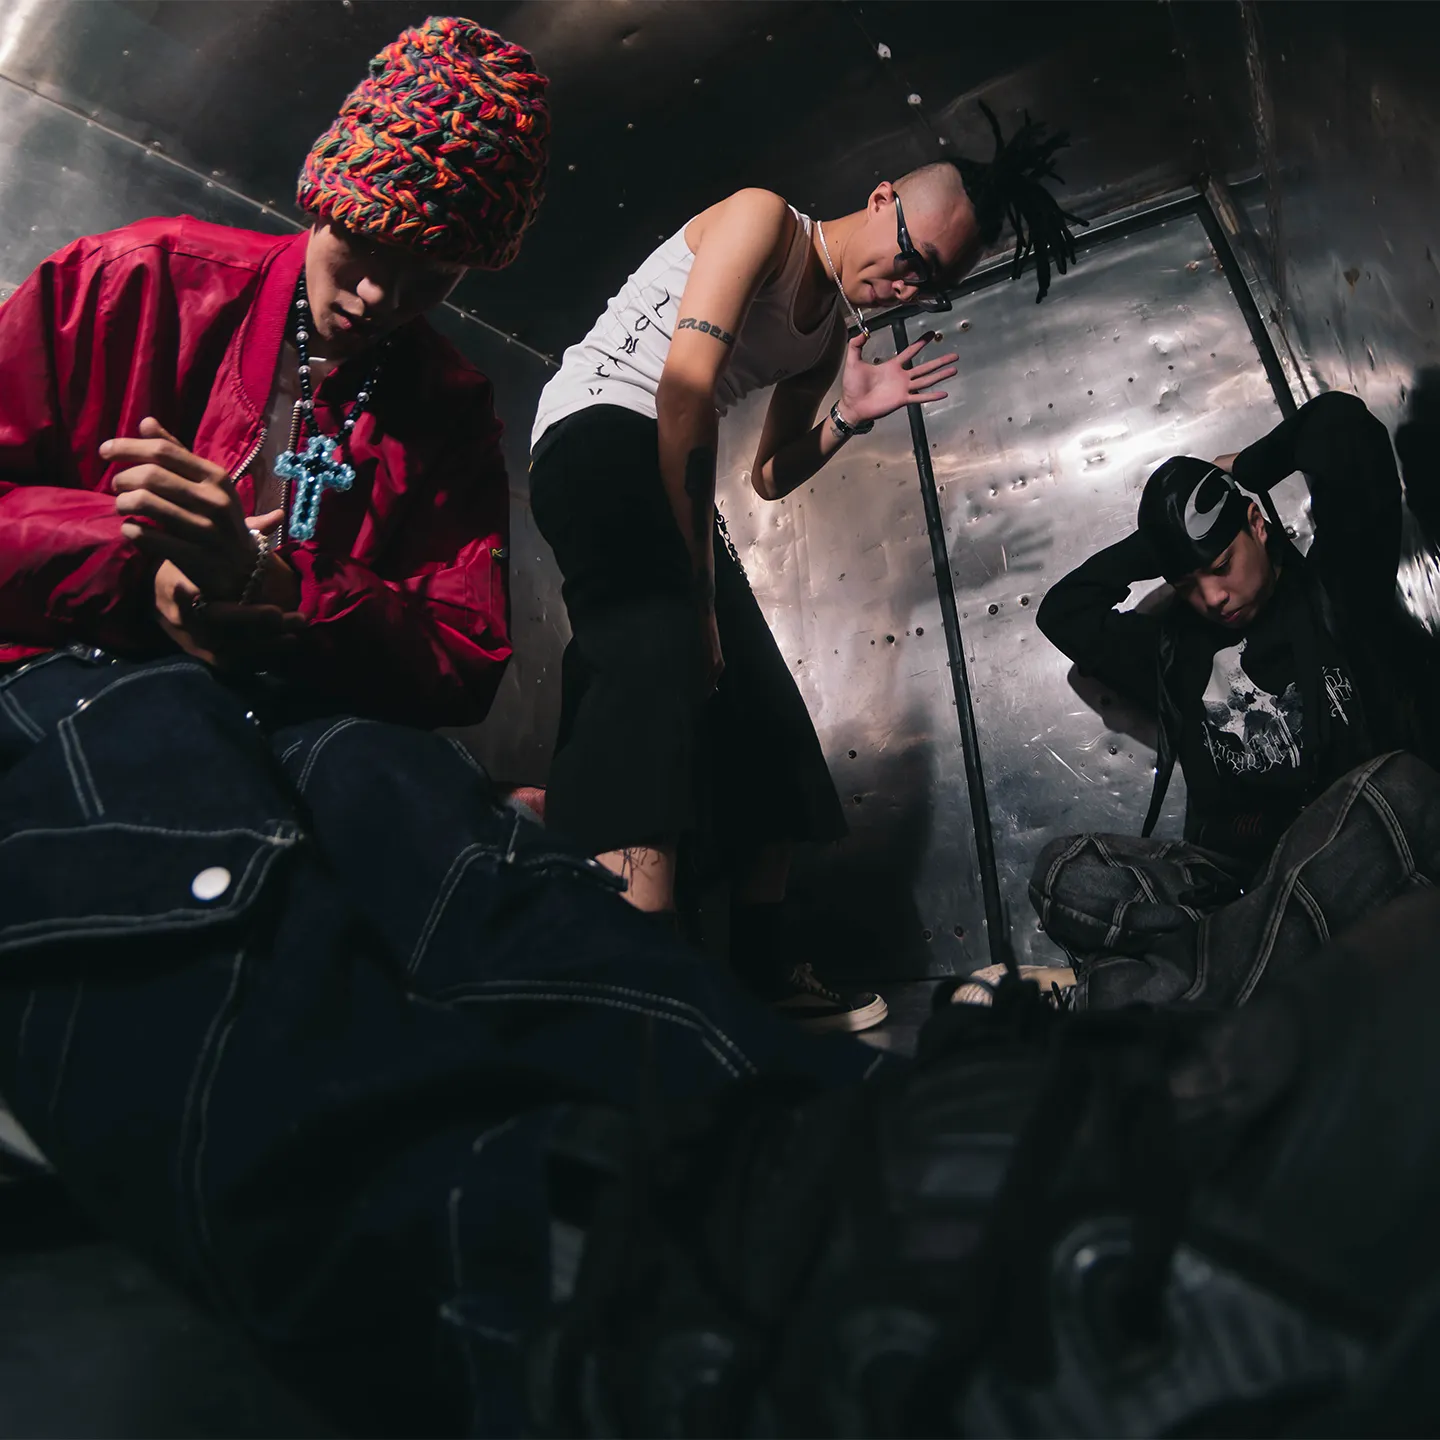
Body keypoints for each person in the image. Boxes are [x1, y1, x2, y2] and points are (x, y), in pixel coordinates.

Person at [4, 641, 1440, 1439]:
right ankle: (719, 1305)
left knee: (363, 773)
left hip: (317, 737)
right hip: (90, 724)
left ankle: (840, 1181)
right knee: (118, 729)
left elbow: (449, 638)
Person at [528, 106, 1082, 1031]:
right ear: (881, 199)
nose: (905, 288)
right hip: (596, 430)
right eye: (911, 260)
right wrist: (698, 599)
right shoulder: (764, 220)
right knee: (657, 652)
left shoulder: (825, 338)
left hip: (665, 465)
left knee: (770, 723)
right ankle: (631, 978)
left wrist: (849, 418)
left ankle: (760, 973)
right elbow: (683, 391)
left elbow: (769, 475)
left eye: (930, 288)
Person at [0, 16, 550, 728]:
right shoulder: (134, 279)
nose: (380, 295)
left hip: (290, 718)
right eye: (367, 239)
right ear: (323, 201)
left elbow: (463, 654)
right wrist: (144, 564)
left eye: (433, 270)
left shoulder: (450, 408)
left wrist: (283, 591)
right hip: (66, 663)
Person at [1031, 390, 1440, 1008]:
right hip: (1234, 884)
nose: (1213, 597)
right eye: (1188, 584)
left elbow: (1341, 429)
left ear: (1258, 524)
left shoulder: (1338, 588)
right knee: (1068, 873)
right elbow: (1064, 612)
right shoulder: (1171, 653)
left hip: (1354, 863)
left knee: (1401, 790)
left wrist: (1243, 471)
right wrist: (1168, 541)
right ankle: (1237, 983)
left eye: (1222, 564)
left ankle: (1146, 1001)